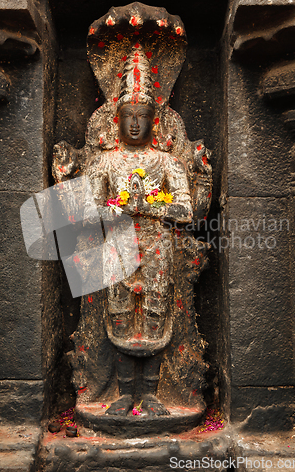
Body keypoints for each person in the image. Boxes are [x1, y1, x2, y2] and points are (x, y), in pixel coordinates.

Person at [83, 47, 194, 417]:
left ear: (155, 122)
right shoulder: (105, 162)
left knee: (155, 312)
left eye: (142, 116)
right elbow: (84, 212)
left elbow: (186, 209)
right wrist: (116, 209)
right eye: (127, 116)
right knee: (118, 311)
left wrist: (149, 206)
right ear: (116, 121)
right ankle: (124, 392)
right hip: (118, 245)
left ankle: (152, 393)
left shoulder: (167, 162)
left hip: (158, 245)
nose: (134, 124)